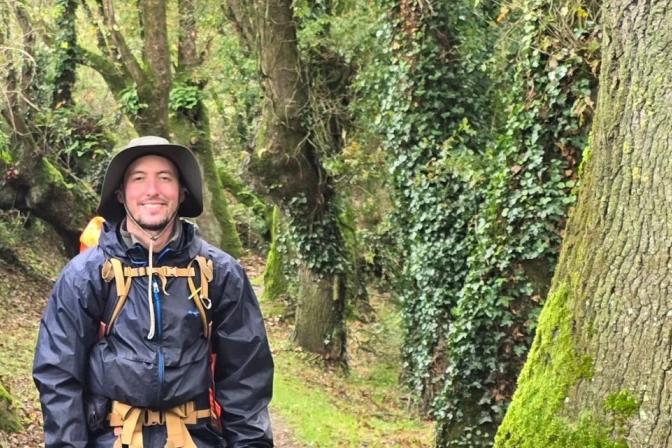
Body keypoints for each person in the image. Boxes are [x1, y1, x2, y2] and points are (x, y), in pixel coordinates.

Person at [33, 136, 274, 448]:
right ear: (120, 193)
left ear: (182, 191)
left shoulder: (220, 273)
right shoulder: (85, 275)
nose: (152, 191)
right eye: (138, 178)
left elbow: (247, 377)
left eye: (165, 178)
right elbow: (58, 375)